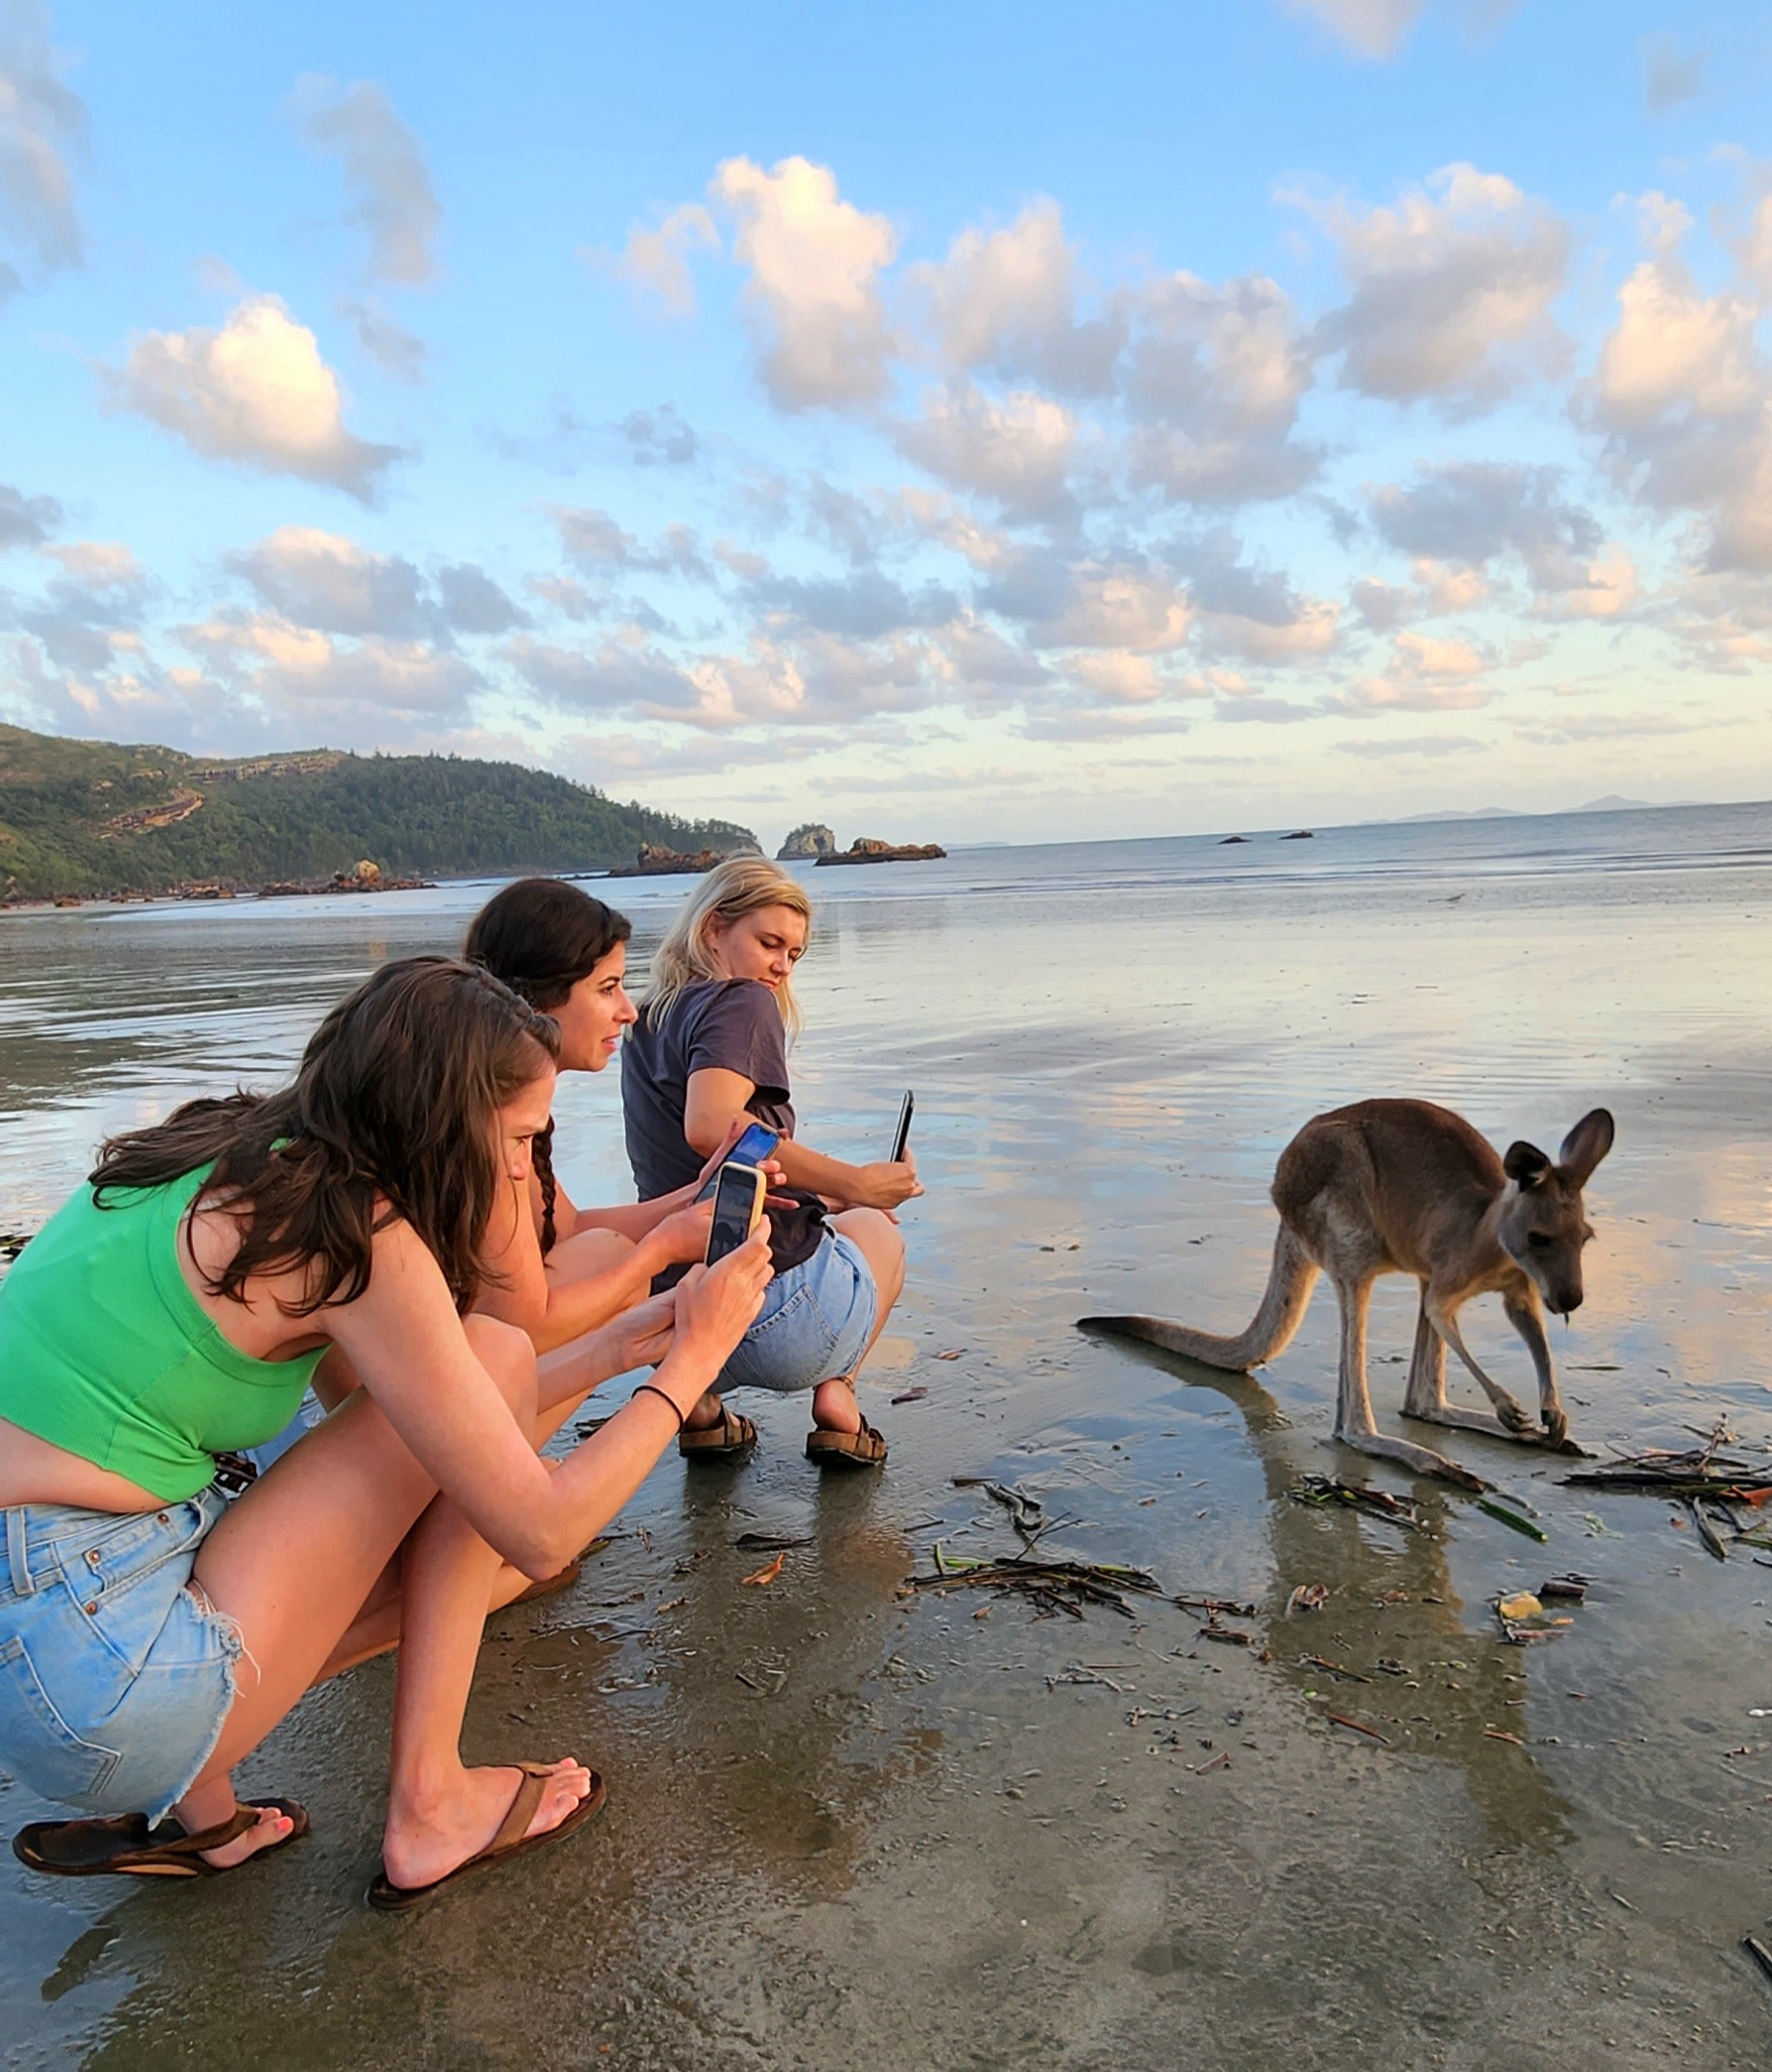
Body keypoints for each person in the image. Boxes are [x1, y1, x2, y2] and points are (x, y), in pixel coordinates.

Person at [0, 957, 770, 1905]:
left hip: (43, 1634)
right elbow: (540, 1528)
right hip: (104, 1671)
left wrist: (622, 1348)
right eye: (522, 1141)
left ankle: (206, 1816)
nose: (527, 1171)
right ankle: (430, 1803)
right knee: (488, 1440)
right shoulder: (363, 1234)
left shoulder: (237, 1156)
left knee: (470, 1407)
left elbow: (411, 1424)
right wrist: (696, 1361)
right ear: (449, 1130)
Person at [621, 856, 921, 1468]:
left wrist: (823, 1195)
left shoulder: (642, 1019)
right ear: (712, 930)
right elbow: (712, 1130)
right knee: (878, 1235)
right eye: (769, 943)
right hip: (770, 1315)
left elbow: (701, 1172)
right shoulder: (740, 1002)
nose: (781, 966)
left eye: (795, 954)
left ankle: (702, 1410)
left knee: (840, 1214)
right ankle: (839, 1398)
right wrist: (859, 1185)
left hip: (669, 1321)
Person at [461, 878, 761, 1360]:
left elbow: (567, 1226)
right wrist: (659, 1252)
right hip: (414, 1397)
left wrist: (697, 1195)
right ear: (536, 999)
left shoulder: (484, 1089)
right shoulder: (490, 1118)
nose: (629, 1012)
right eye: (607, 988)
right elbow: (521, 1328)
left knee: (606, 1251)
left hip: (413, 1372)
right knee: (614, 1258)